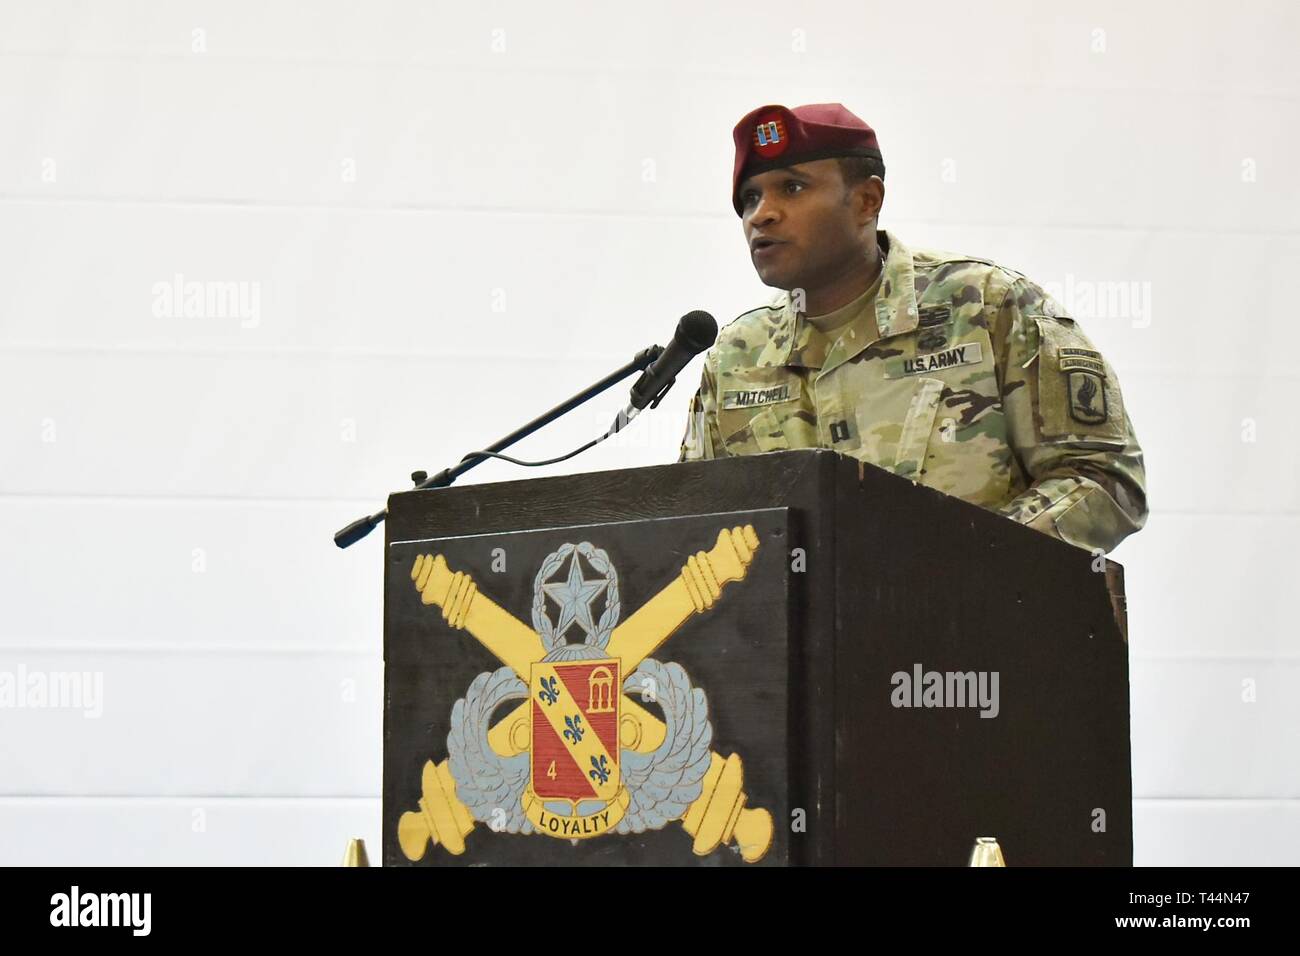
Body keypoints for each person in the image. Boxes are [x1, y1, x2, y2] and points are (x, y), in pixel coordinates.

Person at [677, 103, 1147, 554]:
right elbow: (693, 527)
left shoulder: (985, 306)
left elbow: (1103, 476)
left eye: (792, 188)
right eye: (750, 198)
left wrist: (960, 565)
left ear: (867, 200)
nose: (762, 213)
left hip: (974, 628)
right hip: (793, 636)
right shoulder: (737, 357)